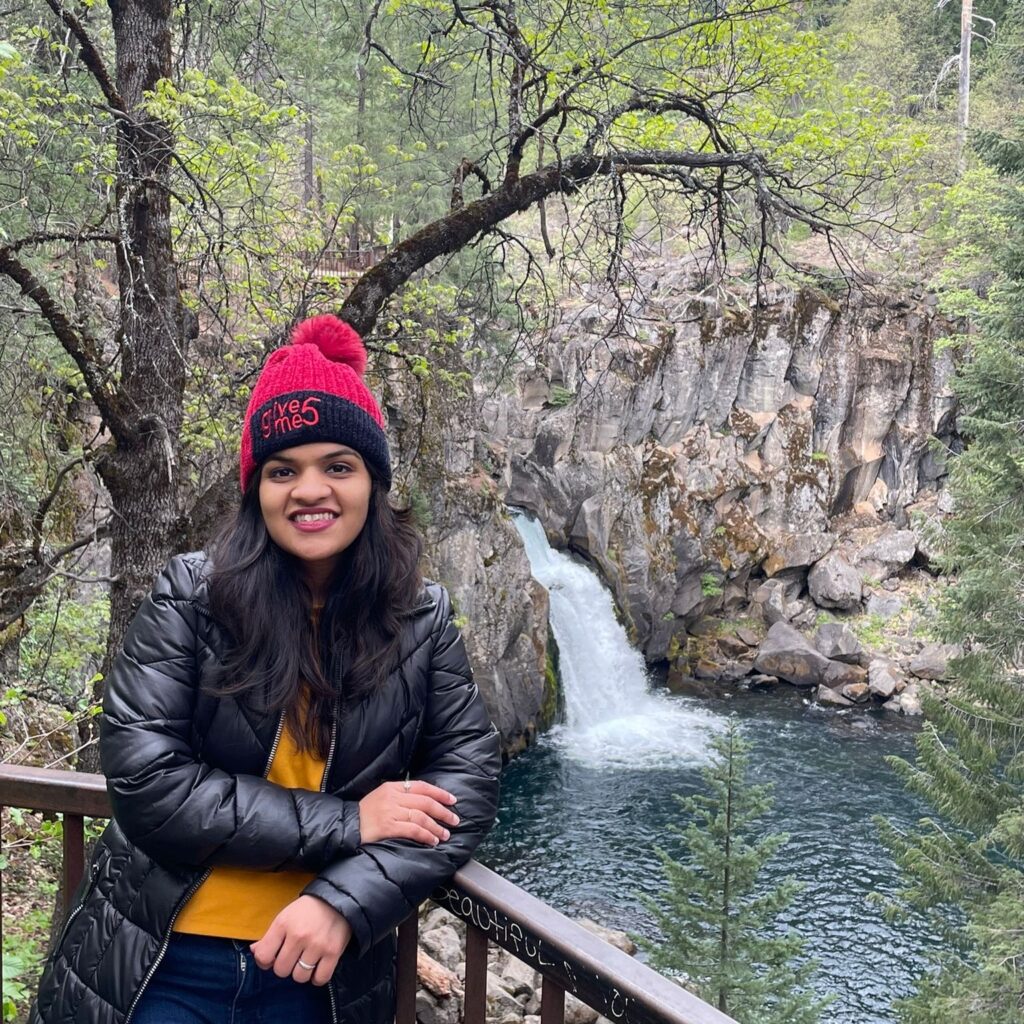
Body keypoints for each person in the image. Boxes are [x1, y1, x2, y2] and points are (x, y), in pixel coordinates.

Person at [32, 315, 502, 1024]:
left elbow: (464, 784)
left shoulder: (420, 619)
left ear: (373, 481)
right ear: (257, 490)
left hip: (319, 977)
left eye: (337, 466)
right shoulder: (193, 594)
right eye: (283, 470)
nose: (309, 490)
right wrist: (352, 822)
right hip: (160, 964)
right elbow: (147, 783)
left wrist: (343, 903)